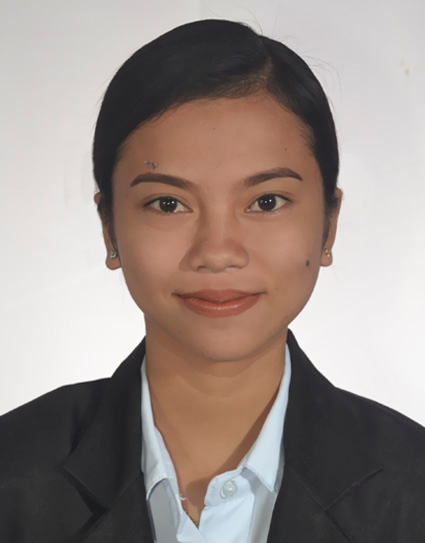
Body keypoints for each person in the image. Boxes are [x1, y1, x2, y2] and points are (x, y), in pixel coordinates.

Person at [0, 18, 424, 543]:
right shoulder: (12, 477)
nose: (218, 252)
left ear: (328, 224)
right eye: (167, 203)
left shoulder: (414, 490)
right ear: (109, 228)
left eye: (266, 202)